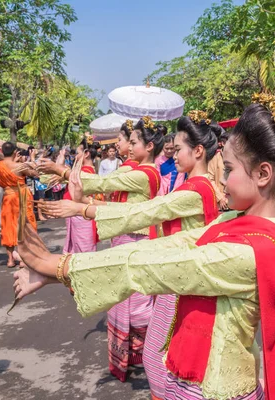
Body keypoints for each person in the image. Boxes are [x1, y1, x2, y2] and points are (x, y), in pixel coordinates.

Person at [14, 100, 275, 400]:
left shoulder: (250, 248)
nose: (224, 180)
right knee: (155, 356)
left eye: (228, 169)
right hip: (197, 365)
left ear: (264, 174)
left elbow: (154, 249)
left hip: (215, 388)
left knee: (153, 355)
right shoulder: (237, 222)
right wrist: (62, 266)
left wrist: (61, 264)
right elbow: (164, 247)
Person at [42, 112, 220, 397]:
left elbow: (142, 211)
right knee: (162, 348)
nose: (172, 152)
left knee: (156, 351)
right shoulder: (191, 184)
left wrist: (81, 207)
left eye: (179, 147)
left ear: (198, 152)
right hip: (169, 265)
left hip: (174, 273)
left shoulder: (189, 187)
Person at [0, 142, 38, 268]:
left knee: (8, 226)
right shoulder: (19, 167)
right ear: (14, 152)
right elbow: (35, 173)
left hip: (8, 197)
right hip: (22, 196)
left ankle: (10, 259)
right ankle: (23, 258)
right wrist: (32, 159)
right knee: (25, 224)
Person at [208, 130, 229, 210]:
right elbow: (210, 179)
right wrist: (220, 197)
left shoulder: (239, 158)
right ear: (223, 144)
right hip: (219, 203)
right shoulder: (215, 159)